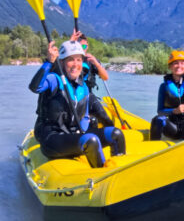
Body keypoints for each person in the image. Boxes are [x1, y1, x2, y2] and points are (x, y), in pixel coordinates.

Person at [29, 39, 126, 168]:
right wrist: (49, 62)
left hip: (73, 135)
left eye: (79, 60)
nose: (75, 64)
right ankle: (101, 178)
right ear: (62, 62)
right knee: (90, 141)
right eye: (70, 59)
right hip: (52, 138)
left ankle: (119, 172)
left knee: (116, 134)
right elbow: (35, 87)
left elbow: (84, 117)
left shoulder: (83, 87)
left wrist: (85, 130)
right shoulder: (54, 80)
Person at [150, 49, 184, 141]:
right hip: (174, 126)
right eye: (175, 63)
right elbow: (160, 111)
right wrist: (175, 111)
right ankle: (153, 148)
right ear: (170, 66)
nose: (179, 66)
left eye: (182, 63)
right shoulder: (164, 86)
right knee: (157, 119)